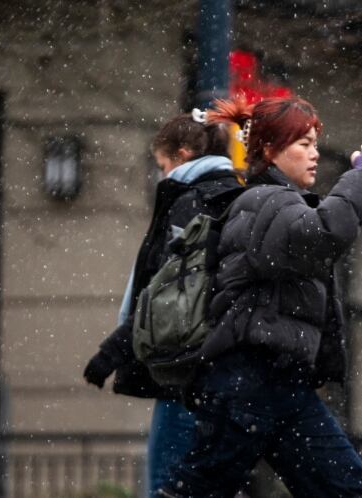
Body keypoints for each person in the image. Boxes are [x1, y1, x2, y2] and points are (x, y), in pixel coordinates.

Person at [159, 96, 362, 498]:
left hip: (279, 385)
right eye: (304, 144)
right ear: (268, 150)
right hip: (246, 384)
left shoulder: (281, 204)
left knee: (345, 488)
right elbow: (324, 235)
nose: (315, 154)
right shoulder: (263, 201)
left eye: (315, 143)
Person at [82, 110, 244, 497]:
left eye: (164, 164)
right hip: (223, 369)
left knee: (167, 483)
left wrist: (112, 352)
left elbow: (167, 299)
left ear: (184, 154)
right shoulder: (236, 196)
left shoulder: (189, 203)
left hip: (184, 368)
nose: (162, 174)